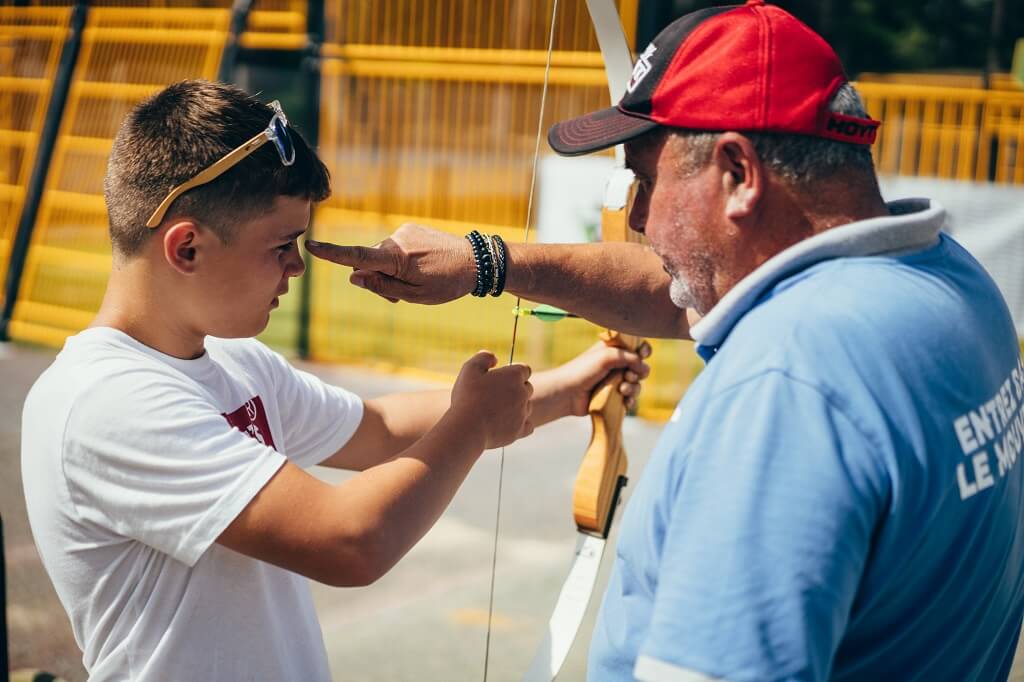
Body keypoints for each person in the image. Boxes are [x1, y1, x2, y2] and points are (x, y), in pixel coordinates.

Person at [305, 1, 1024, 680]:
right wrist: (489, 262)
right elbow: (675, 287)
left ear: (739, 175)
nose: (639, 217)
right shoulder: (946, 279)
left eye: (646, 180)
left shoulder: (786, 390)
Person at [19, 79, 651, 681]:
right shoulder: (105, 401)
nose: (297, 266)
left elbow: (377, 430)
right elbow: (352, 541)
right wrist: (473, 423)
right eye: (281, 245)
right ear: (186, 248)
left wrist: (568, 389)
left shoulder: (234, 362)